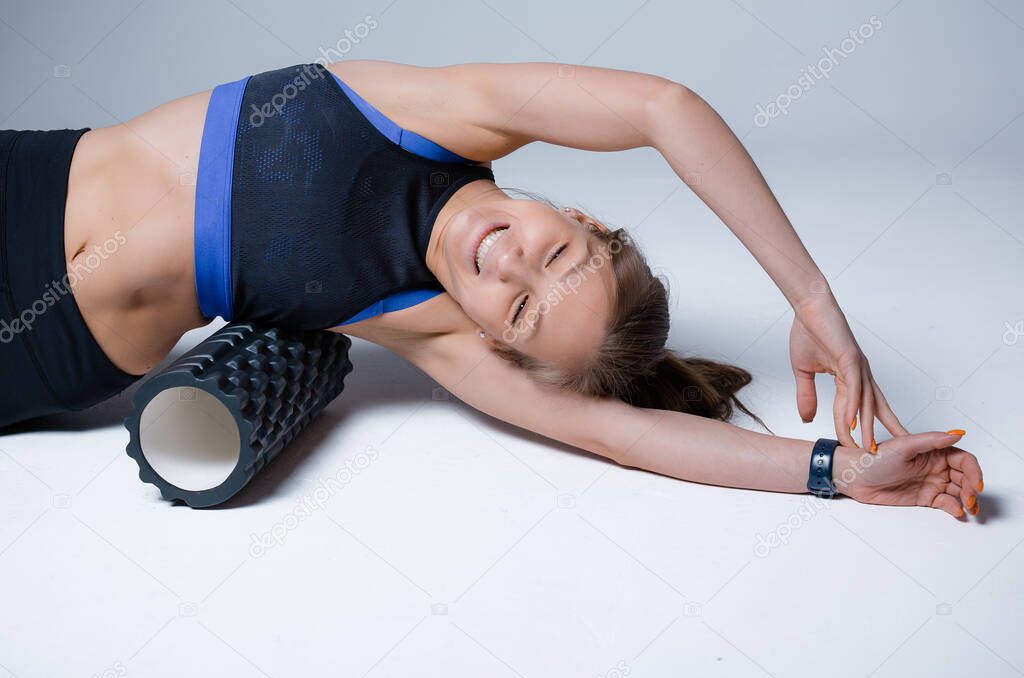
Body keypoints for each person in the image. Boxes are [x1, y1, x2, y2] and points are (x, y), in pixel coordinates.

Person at [0, 60, 983, 517]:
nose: (509, 267)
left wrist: (839, 471)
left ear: (492, 340)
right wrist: (814, 303)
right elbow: (662, 106)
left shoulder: (425, 325)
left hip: (41, 350)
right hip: (26, 177)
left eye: (519, 311)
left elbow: (621, 432)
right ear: (587, 220)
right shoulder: (433, 118)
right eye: (557, 257)